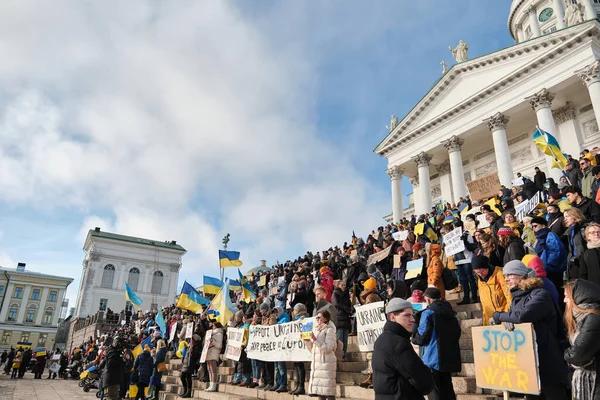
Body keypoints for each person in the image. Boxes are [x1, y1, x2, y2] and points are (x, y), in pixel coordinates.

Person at [491, 260, 569, 399]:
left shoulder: (541, 294)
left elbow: (523, 316)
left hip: (548, 358)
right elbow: (515, 318)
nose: (506, 278)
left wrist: (499, 316)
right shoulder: (515, 299)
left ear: (522, 276)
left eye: (510, 274)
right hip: (528, 361)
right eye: (505, 275)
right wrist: (506, 322)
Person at [372, 298, 434, 399]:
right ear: (392, 317)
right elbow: (422, 379)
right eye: (407, 315)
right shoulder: (398, 343)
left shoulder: (381, 339)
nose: (413, 319)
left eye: (412, 315)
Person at [411, 288, 461, 400]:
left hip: (433, 358)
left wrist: (413, 336)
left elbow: (422, 336)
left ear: (428, 300)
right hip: (449, 357)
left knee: (435, 391)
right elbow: (457, 333)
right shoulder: (450, 312)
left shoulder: (428, 312)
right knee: (448, 388)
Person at [563, 280, 600, 400]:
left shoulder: (593, 318)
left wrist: (567, 355)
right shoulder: (582, 318)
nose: (564, 301)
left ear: (577, 298)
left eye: (566, 297)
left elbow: (577, 354)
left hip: (595, 382)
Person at [531, 216, 567, 302]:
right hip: (545, 271)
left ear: (543, 226)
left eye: (535, 226)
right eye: (532, 227)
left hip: (552, 271)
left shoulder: (550, 235)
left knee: (556, 293)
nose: (533, 229)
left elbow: (556, 251)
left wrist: (548, 265)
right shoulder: (539, 238)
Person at [304, 309, 337, 400]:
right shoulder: (316, 329)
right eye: (316, 317)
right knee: (320, 393)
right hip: (318, 365)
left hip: (326, 364)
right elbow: (313, 350)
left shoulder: (330, 330)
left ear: (325, 318)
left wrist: (315, 340)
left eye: (319, 317)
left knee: (329, 393)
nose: (317, 319)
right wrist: (307, 341)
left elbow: (329, 347)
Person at [471, 255, 511, 325]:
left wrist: (506, 314)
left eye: (482, 271)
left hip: (502, 315)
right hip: (489, 317)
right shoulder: (479, 279)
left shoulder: (499, 274)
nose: (481, 274)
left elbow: (509, 296)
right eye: (477, 272)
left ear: (487, 267)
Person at [563, 208, 588, 280]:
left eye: (567, 216)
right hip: (575, 263)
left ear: (575, 215)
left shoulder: (585, 228)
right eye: (564, 217)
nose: (565, 219)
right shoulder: (570, 231)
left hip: (584, 263)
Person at [290, 304, 309, 395]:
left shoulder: (304, 319)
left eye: (294, 310)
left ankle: (301, 386)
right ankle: (297, 386)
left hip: (301, 346)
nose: (293, 311)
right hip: (296, 346)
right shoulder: (296, 319)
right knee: (296, 366)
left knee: (299, 366)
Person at [332, 280, 352, 361]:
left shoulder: (346, 294)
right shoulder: (335, 293)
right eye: (342, 285)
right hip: (339, 317)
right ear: (338, 285)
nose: (344, 286)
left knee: (345, 338)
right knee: (340, 338)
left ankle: (345, 354)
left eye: (345, 285)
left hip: (346, 318)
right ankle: (340, 355)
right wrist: (345, 308)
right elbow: (336, 304)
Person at [204, 320, 224, 393]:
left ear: (216, 326)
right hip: (208, 352)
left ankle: (213, 385)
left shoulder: (219, 334)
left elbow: (219, 345)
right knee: (209, 369)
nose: (212, 327)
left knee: (213, 369)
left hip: (214, 352)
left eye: (213, 326)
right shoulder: (211, 333)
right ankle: (210, 384)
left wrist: (212, 341)